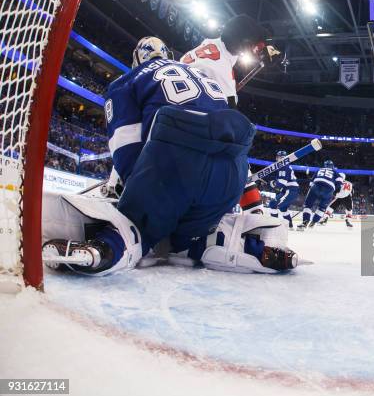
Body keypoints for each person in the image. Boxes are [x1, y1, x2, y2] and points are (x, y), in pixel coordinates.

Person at [43, 36, 296, 274]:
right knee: (185, 240)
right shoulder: (202, 76)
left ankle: (107, 248)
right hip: (233, 169)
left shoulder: (127, 80)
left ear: (136, 59)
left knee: (137, 226)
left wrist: (136, 202)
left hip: (175, 159)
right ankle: (232, 245)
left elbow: (126, 150)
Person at [180, 14, 280, 215]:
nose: (254, 51)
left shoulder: (208, 46)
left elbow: (249, 37)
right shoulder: (220, 69)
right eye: (253, 47)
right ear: (241, 42)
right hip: (186, 135)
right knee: (235, 148)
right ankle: (254, 213)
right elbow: (231, 120)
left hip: (168, 121)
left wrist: (263, 52)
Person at [297, 160, 344, 231]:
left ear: (324, 165)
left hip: (316, 186)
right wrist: (333, 189)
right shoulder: (335, 172)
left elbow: (311, 182)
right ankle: (313, 222)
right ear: (332, 166)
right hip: (329, 189)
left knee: (308, 205)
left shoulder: (320, 170)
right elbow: (340, 182)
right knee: (322, 208)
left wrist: (311, 191)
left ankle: (305, 222)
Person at [267, 150, 300, 229]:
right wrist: (274, 184)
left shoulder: (283, 166)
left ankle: (274, 225)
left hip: (290, 189)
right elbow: (282, 183)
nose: (279, 159)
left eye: (280, 157)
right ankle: (289, 225)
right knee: (282, 208)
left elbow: (281, 182)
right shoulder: (284, 166)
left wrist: (273, 184)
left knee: (274, 204)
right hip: (288, 189)